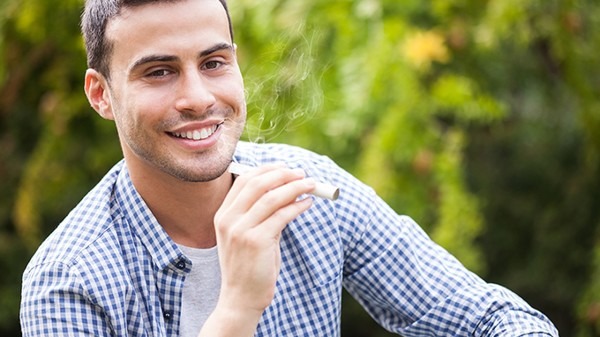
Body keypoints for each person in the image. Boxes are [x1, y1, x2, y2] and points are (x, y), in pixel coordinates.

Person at [19, 0, 559, 336]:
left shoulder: (308, 193)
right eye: (159, 72)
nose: (198, 97)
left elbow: (491, 319)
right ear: (101, 94)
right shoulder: (68, 281)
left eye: (213, 63)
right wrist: (237, 311)